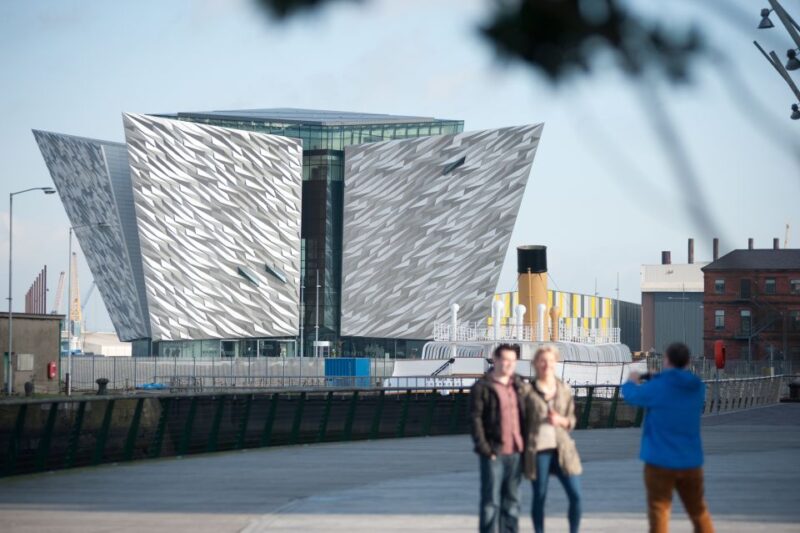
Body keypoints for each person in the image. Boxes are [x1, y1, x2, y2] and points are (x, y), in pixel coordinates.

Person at [622, 342, 714, 533]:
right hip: (690, 461)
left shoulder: (658, 386)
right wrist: (661, 377)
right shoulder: (697, 387)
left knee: (659, 512)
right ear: (688, 362)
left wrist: (632, 380)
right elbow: (677, 383)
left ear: (666, 360)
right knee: (698, 511)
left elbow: (632, 396)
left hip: (659, 460)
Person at [523, 344, 582, 533]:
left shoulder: (563, 389)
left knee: (576, 495)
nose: (546, 364)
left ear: (556, 362)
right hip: (538, 449)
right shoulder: (527, 391)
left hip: (563, 449)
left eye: (550, 360)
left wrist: (561, 420)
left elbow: (572, 420)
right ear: (535, 364)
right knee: (539, 496)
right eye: (542, 360)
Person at [470, 343, 529, 533]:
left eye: (512, 360)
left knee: (512, 501)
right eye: (504, 359)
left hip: (516, 452)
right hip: (494, 452)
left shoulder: (519, 384)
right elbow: (475, 419)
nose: (508, 364)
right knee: (491, 502)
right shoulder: (482, 387)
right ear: (495, 360)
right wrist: (485, 448)